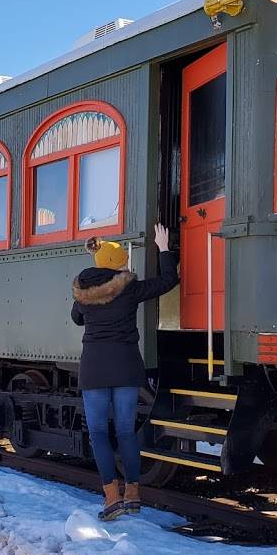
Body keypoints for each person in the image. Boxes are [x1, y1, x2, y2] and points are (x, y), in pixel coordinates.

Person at [70, 223, 179, 520]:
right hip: (127, 367)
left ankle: (111, 497)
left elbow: (76, 318)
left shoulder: (83, 293)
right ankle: (133, 494)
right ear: (119, 265)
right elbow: (169, 280)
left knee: (98, 433)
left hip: (94, 369)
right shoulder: (129, 289)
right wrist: (164, 248)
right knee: (126, 431)